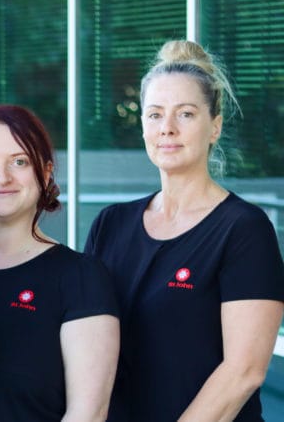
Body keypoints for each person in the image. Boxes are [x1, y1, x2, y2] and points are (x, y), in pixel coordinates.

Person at [85, 40, 284, 421]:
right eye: (155, 115)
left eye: (186, 114)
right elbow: (86, 346)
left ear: (215, 127)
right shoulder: (110, 225)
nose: (168, 129)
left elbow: (243, 372)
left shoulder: (244, 230)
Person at [0, 105, 119, 422]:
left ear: (46, 171)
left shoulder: (80, 278)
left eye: (19, 161)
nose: (1, 177)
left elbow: (88, 414)